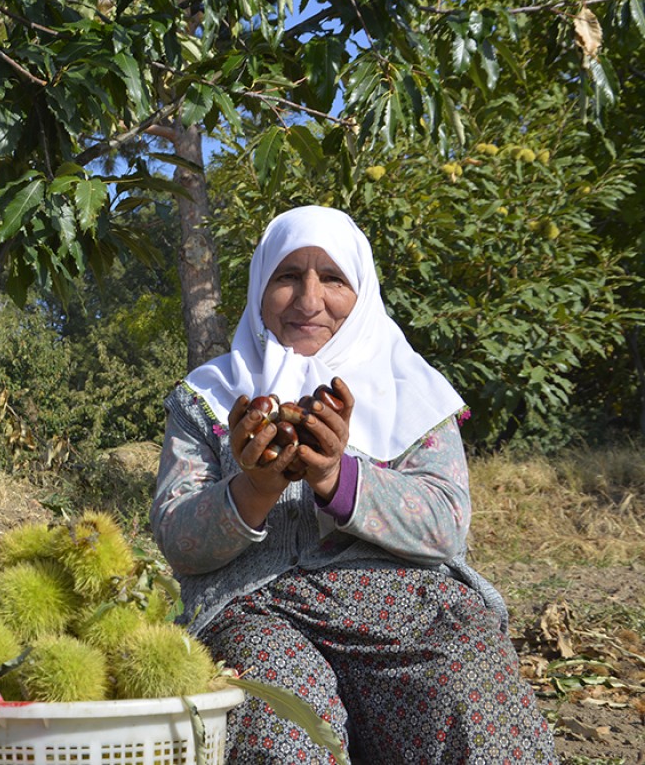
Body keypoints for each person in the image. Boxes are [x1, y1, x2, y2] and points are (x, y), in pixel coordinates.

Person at [151, 206, 556, 763]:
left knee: (472, 693)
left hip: (408, 610)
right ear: (259, 287)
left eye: (333, 279)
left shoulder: (411, 390)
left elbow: (445, 526)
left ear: (361, 292)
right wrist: (255, 489)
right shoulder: (210, 396)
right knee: (282, 723)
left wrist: (337, 477)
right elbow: (178, 538)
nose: (309, 299)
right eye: (287, 276)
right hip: (258, 610)